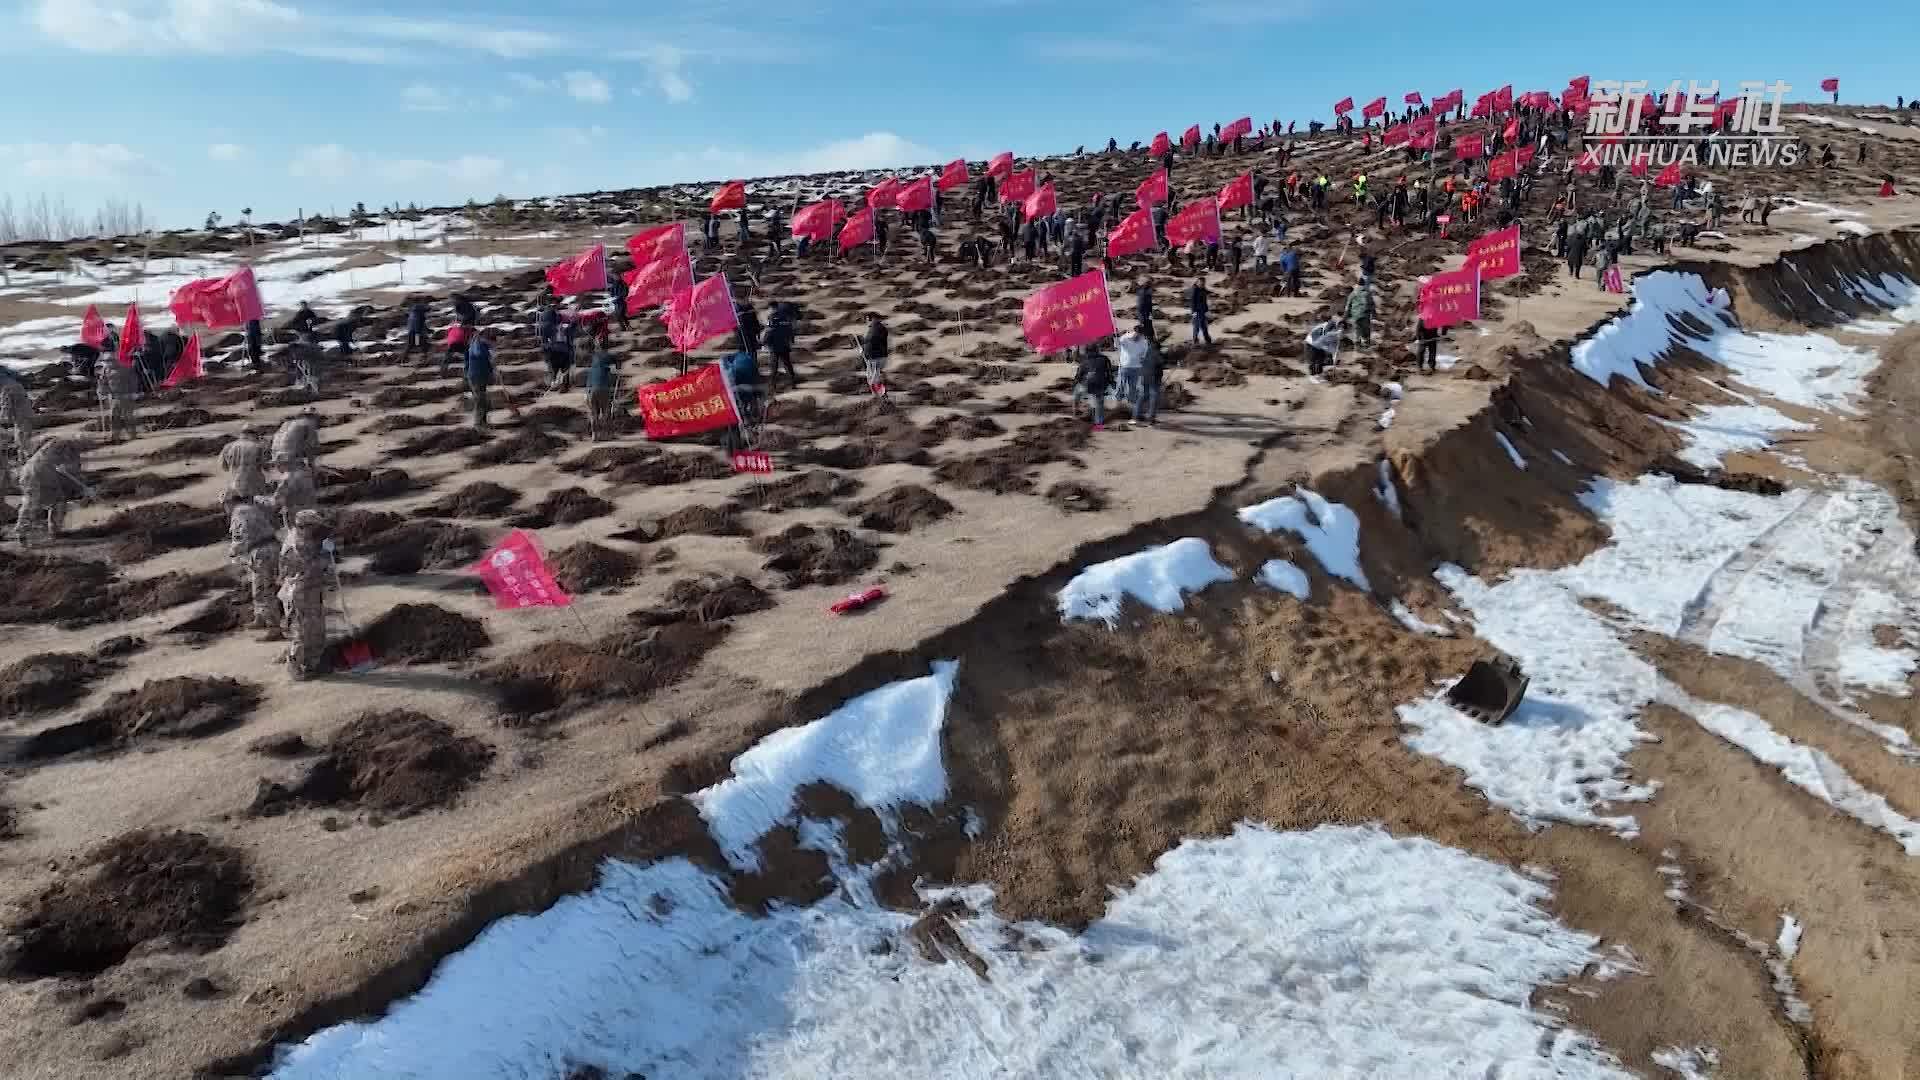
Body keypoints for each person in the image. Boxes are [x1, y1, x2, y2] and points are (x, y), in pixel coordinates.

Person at [277, 510, 330, 681]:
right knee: (301, 631)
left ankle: (312, 664)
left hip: (311, 589)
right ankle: (295, 666)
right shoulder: (297, 544)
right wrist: (325, 555)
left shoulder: (306, 538)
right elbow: (312, 566)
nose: (317, 532)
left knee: (316, 628)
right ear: (304, 527)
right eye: (314, 528)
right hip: (298, 592)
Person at [10, 436, 88, 545]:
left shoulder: (53, 443)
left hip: (28, 473)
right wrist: (83, 490)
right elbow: (72, 472)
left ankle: (26, 531)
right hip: (43, 477)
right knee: (53, 502)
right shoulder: (71, 449)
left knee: (34, 503)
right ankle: (51, 531)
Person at [227, 496, 283, 638]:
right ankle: (261, 617)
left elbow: (240, 536)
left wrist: (233, 551)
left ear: (229, 503)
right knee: (258, 586)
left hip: (261, 552)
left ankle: (274, 628)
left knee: (265, 589)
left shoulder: (238, 513)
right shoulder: (253, 508)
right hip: (272, 547)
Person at [585, 334, 621, 442]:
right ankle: (606, 434)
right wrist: (617, 368)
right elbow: (617, 362)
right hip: (603, 388)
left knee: (594, 414)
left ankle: (595, 436)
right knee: (605, 412)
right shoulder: (608, 356)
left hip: (591, 389)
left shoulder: (594, 360)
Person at [1072, 343, 1114, 429]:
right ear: (1097, 350)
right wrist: (1111, 383)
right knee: (1099, 403)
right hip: (1101, 385)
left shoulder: (1084, 361)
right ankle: (1098, 423)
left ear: (1087, 351)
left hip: (1087, 385)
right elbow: (1110, 373)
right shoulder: (1105, 359)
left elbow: (1079, 375)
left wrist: (1075, 384)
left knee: (1076, 391)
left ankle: (1075, 410)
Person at [220, 429, 269, 502]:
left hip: (235, 485)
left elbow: (224, 468)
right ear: (254, 434)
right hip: (256, 486)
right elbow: (266, 467)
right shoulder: (259, 447)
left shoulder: (228, 446)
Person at [96, 356, 137, 442]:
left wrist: (134, 392)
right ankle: (115, 435)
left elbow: (133, 381)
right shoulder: (105, 371)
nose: (107, 363)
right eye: (105, 362)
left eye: (108, 361)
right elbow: (103, 383)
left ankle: (132, 434)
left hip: (126, 396)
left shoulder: (125, 369)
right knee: (114, 417)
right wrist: (101, 390)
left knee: (128, 416)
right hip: (113, 397)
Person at [1115, 324, 1148, 423]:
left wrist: (1142, 360)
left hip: (1136, 367)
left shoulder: (1144, 342)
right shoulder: (1125, 338)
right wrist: (1115, 338)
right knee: (1121, 385)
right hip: (1124, 366)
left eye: (1140, 334)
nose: (1138, 336)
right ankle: (1118, 402)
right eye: (1137, 333)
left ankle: (1131, 405)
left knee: (1133, 387)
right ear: (1134, 331)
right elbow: (1116, 345)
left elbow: (1144, 354)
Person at [272, 459, 317, 531]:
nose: (276, 468)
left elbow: (277, 501)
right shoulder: (307, 473)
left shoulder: (288, 478)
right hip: (311, 513)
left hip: (296, 517)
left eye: (277, 465)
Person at [725, 347, 764, 426]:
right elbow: (756, 374)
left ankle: (746, 419)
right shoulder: (747, 358)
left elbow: (730, 379)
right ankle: (755, 416)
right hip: (750, 383)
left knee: (742, 402)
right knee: (750, 400)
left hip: (740, 384)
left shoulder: (731, 366)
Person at [465, 328, 495, 428]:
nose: (492, 344)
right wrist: (489, 355)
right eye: (491, 341)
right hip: (475, 377)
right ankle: (478, 424)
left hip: (480, 376)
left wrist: (491, 372)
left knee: (483, 401)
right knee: (480, 401)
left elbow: (487, 363)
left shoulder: (480, 344)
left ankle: (483, 422)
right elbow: (478, 354)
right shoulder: (477, 345)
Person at [765, 303, 799, 389]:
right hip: (784, 345)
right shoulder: (785, 318)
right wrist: (791, 341)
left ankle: (772, 385)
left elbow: (769, 332)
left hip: (775, 346)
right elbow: (790, 330)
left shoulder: (771, 318)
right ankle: (793, 383)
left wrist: (765, 342)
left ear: (772, 308)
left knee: (774, 367)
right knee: (787, 365)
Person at [0, 375, 31, 464]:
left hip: (21, 416)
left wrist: (3, 420)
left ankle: (24, 461)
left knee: (21, 439)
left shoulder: (6, 389)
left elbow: (6, 407)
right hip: (26, 413)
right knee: (23, 437)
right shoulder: (15, 384)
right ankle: (24, 459)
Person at [1344, 283, 1375, 347]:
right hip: (1365, 314)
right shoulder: (1367, 293)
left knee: (1358, 328)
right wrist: (1373, 313)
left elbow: (1348, 307)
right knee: (1365, 328)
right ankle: (1366, 342)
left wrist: (1345, 317)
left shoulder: (1352, 295)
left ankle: (1358, 342)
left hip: (1357, 314)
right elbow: (1372, 304)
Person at [861, 314, 889, 378]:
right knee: (876, 371)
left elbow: (871, 339)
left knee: (874, 372)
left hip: (874, 355)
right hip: (879, 355)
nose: (867, 322)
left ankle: (875, 382)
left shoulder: (875, 328)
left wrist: (863, 341)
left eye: (867, 320)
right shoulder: (880, 328)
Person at [1187, 276, 1212, 346]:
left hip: (1202, 311)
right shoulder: (1195, 290)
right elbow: (1192, 302)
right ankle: (1195, 340)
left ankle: (1207, 340)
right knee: (1196, 326)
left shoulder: (1203, 289)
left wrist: (1213, 293)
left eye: (1203, 283)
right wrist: (1193, 312)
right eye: (1201, 283)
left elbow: (1206, 294)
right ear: (1197, 282)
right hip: (1197, 311)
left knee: (1204, 326)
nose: (1202, 284)